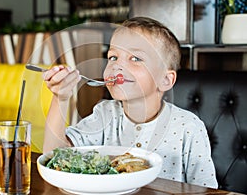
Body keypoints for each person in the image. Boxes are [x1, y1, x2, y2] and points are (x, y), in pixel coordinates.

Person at [42, 16, 218, 188]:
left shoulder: (188, 127)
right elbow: (54, 156)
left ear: (165, 80)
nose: (117, 66)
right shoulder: (105, 114)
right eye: (113, 57)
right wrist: (61, 97)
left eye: (135, 58)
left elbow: (206, 190)